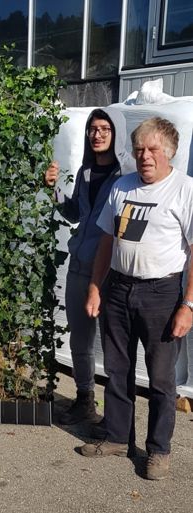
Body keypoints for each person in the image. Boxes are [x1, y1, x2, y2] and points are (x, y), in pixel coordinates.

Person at [81, 117, 193, 481]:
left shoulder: (185, 190)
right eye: (140, 149)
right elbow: (106, 240)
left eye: (153, 150)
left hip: (162, 293)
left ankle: (158, 450)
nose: (145, 156)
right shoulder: (123, 186)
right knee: (117, 369)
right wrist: (97, 286)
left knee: (161, 380)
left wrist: (188, 305)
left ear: (169, 152)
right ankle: (116, 437)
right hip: (118, 288)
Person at [45, 108, 134, 425]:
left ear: (116, 134)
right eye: (93, 129)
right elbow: (74, 215)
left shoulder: (127, 177)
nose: (97, 135)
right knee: (80, 339)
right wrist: (54, 190)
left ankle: (117, 418)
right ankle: (85, 400)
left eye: (104, 129)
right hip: (81, 265)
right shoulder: (84, 172)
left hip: (113, 272)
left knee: (114, 346)